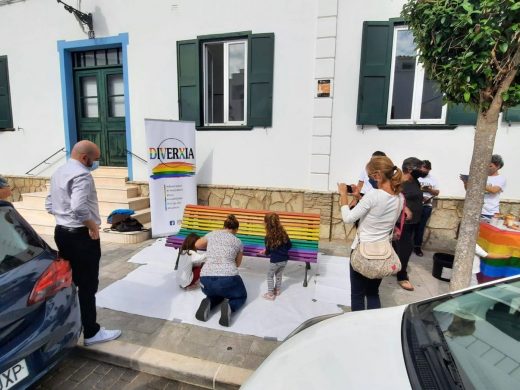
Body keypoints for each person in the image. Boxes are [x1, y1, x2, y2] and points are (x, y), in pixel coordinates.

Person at [45, 140, 121, 346]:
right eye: (95, 160)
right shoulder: (82, 175)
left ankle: (73, 325)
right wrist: (92, 226)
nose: (95, 164)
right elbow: (79, 208)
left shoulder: (59, 171)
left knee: (72, 282)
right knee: (87, 285)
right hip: (80, 236)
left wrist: (63, 217)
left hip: (61, 232)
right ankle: (91, 332)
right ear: (84, 158)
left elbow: (49, 204)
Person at [338, 156, 403, 311]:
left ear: (378, 175)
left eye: (369, 177)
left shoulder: (374, 195)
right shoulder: (399, 197)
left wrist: (343, 195)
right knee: (373, 292)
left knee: (357, 294)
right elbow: (377, 211)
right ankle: (373, 323)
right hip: (382, 251)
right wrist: (358, 197)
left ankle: (357, 326)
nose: (369, 180)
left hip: (363, 251)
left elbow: (348, 218)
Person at [194, 214, 246, 327]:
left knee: (217, 293)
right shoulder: (238, 242)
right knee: (241, 295)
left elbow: (197, 244)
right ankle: (230, 307)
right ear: (236, 229)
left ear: (224, 226)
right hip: (228, 279)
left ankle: (210, 301)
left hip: (205, 280)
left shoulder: (212, 234)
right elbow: (237, 264)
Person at [393, 157, 424, 292]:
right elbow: (393, 197)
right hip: (402, 221)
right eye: (420, 168)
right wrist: (404, 208)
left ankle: (394, 267)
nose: (423, 170)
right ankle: (402, 275)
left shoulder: (414, 180)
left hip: (414, 221)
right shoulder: (400, 180)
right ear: (410, 169)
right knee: (406, 248)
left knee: (399, 247)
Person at [460, 154, 506, 219]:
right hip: (476, 211)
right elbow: (469, 191)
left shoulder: (501, 178)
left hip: (490, 213)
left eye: (490, 166)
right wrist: (466, 182)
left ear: (498, 166)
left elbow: (494, 190)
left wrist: (477, 182)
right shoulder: (480, 177)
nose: (487, 167)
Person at [259, 213, 292, 300]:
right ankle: (277, 290)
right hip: (284, 260)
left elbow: (269, 251)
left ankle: (270, 294)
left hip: (275, 261)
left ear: (267, 224)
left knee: (270, 276)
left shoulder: (268, 237)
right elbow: (289, 245)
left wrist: (264, 252)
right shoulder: (284, 233)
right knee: (279, 275)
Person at [413, 160, 440, 257]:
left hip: (426, 207)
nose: (424, 172)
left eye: (426, 170)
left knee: (421, 228)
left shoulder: (433, 179)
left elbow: (437, 192)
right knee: (411, 227)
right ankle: (408, 245)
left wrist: (429, 190)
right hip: (414, 206)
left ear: (429, 170)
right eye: (422, 169)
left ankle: (417, 247)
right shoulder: (415, 177)